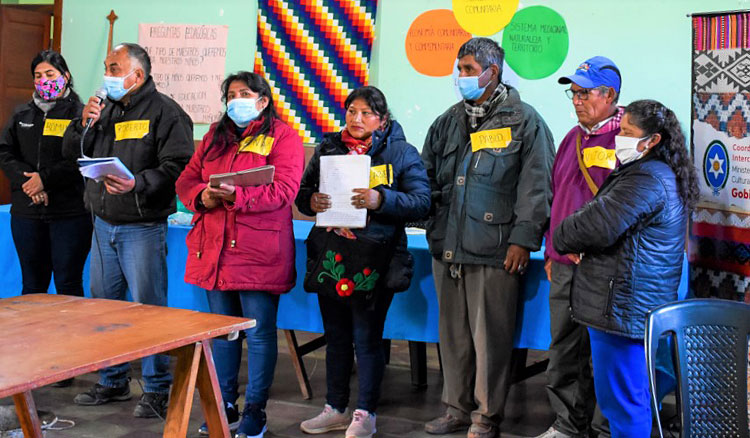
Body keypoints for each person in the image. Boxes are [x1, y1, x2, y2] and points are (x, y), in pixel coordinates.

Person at [421, 37, 555, 438]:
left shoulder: (525, 121)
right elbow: (425, 177)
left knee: (490, 340)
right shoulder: (448, 120)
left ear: (490, 72)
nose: (459, 77)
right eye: (458, 68)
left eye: (466, 69)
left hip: (496, 249)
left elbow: (537, 187)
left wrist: (523, 240)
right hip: (448, 246)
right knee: (453, 338)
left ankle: (486, 416)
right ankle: (455, 409)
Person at [62, 43, 194, 418]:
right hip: (102, 224)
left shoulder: (166, 112)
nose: (107, 74)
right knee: (104, 306)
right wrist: (81, 123)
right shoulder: (103, 110)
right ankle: (113, 379)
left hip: (142, 226)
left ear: (137, 75)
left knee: (149, 310)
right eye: (106, 66)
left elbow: (180, 166)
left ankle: (156, 389)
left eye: (114, 67)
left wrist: (138, 182)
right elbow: (74, 151)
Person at [553, 100, 698, 437]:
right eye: (621, 131)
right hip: (628, 305)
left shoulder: (646, 178)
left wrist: (565, 234)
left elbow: (594, 225)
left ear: (652, 141)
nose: (620, 138)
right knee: (628, 401)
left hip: (622, 308)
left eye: (628, 133)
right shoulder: (653, 173)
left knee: (624, 404)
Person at [296, 86, 430, 438]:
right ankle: (335, 408)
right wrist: (313, 202)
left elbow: (420, 203)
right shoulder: (328, 148)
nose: (357, 119)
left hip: (376, 258)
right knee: (336, 337)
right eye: (351, 111)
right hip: (332, 256)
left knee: (366, 338)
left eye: (366, 113)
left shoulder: (401, 153)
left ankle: (365, 413)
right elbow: (302, 195)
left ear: (382, 119)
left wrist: (380, 199)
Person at [176, 71, 303, 438]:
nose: (236, 99)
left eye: (244, 93)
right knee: (223, 333)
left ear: (263, 100)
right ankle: (224, 404)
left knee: (260, 334)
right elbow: (186, 180)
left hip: (258, 251)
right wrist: (204, 196)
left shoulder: (283, 136)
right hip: (214, 248)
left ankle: (255, 411)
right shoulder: (215, 136)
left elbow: (284, 190)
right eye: (230, 94)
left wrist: (236, 196)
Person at [532, 56, 623, 438]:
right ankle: (567, 425)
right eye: (574, 92)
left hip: (604, 268)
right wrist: (552, 251)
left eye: (585, 93)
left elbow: (624, 209)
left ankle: (605, 428)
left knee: (604, 352)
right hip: (564, 265)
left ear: (610, 95)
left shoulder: (627, 141)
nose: (577, 100)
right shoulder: (571, 137)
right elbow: (556, 199)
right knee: (564, 349)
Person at [0, 50, 91, 299]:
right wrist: (30, 182)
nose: (44, 80)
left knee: (68, 284)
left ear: (65, 76)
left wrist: (45, 180)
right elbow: (5, 153)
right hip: (27, 213)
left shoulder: (80, 114)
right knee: (32, 286)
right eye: (38, 76)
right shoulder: (22, 115)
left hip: (70, 213)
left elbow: (81, 157)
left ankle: (71, 338)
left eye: (50, 74)